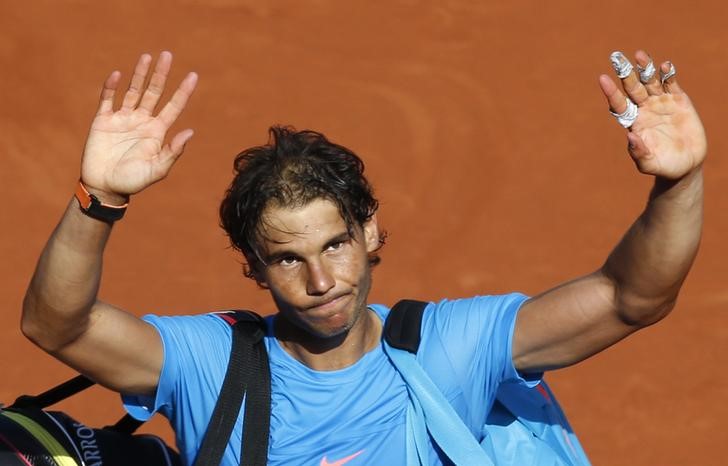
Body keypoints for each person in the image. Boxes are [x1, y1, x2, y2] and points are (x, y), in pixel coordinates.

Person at [21, 48, 705, 465]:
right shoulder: (210, 362)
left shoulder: (448, 350)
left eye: (336, 244)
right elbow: (59, 326)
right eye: (287, 260)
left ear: (370, 233)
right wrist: (98, 199)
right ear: (252, 267)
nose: (322, 281)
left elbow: (630, 298)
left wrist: (678, 183)